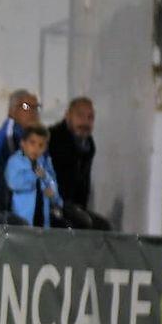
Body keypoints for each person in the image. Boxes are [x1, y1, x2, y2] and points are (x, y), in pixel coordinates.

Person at [48, 97, 110, 230]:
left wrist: (79, 209)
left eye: (90, 117)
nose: (85, 122)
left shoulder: (88, 145)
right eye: (80, 115)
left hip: (72, 207)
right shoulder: (51, 139)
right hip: (52, 206)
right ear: (67, 115)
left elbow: (83, 183)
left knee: (102, 227)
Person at [0, 89, 41, 207]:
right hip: (0, 197)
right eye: (26, 106)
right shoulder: (9, 136)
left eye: (36, 107)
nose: (33, 112)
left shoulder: (31, 135)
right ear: (12, 111)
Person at [5, 126, 62, 228]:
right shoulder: (15, 162)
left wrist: (52, 191)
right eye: (32, 143)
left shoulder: (45, 162)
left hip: (43, 217)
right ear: (23, 143)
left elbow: (52, 182)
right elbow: (13, 183)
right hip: (22, 217)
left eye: (41, 145)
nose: (36, 149)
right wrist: (34, 175)